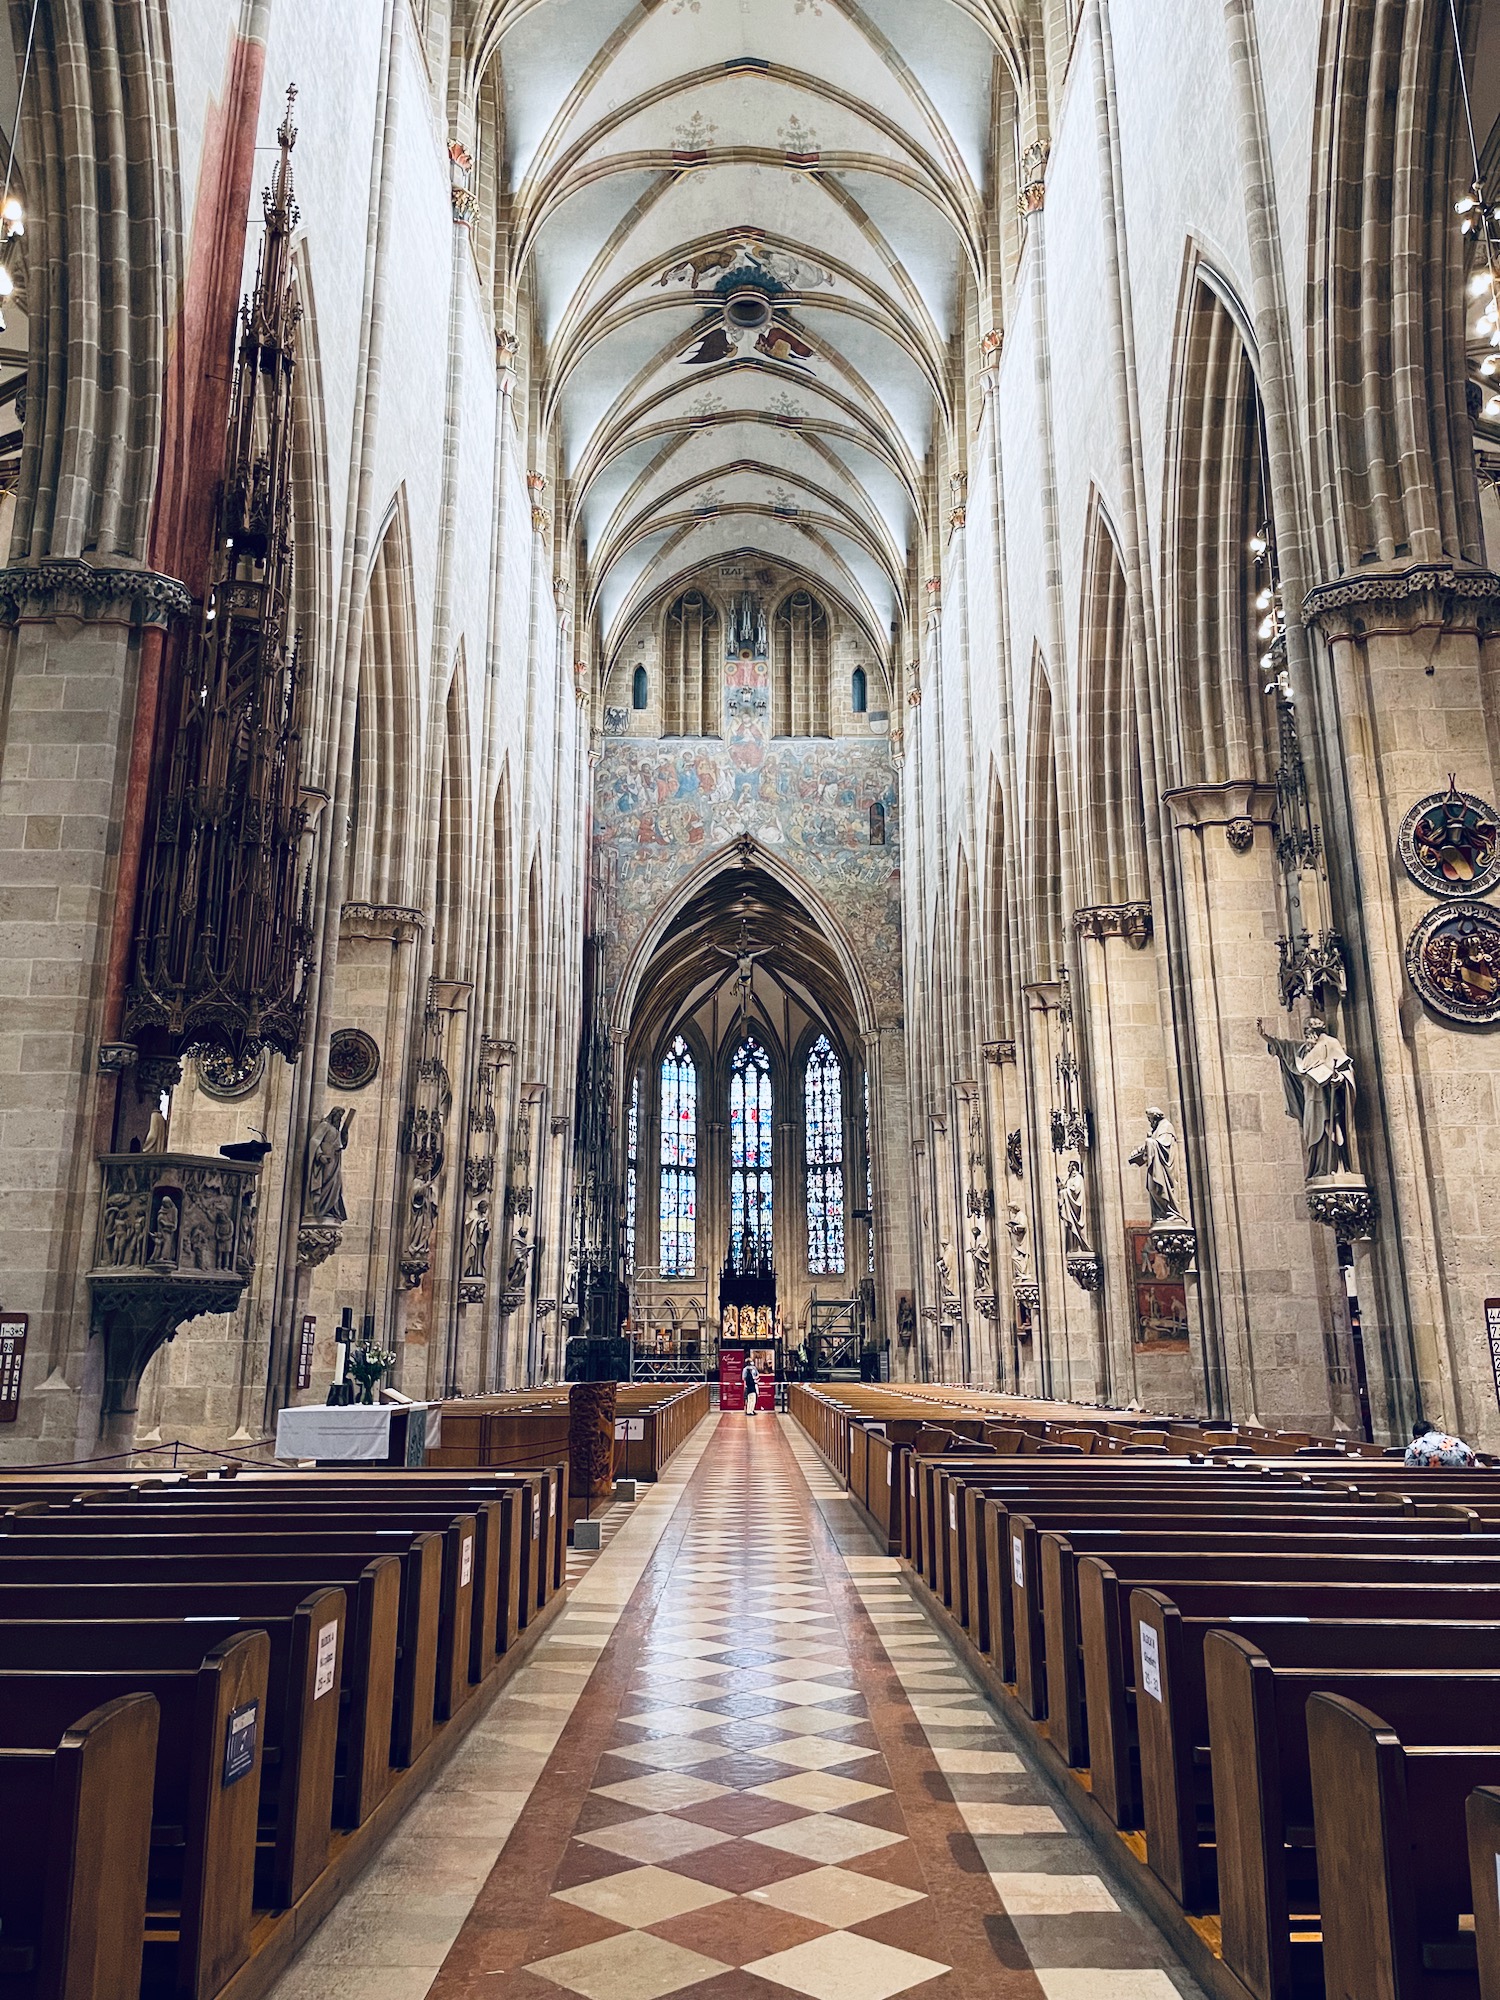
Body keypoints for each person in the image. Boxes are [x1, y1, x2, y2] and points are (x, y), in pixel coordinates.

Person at [1405, 1417, 1479, 1468]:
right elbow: (1476, 1465)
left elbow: (1409, 1471)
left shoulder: (1415, 1445)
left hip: (1429, 1488)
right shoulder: (1458, 1442)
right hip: (1466, 1488)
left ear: (1417, 1436)